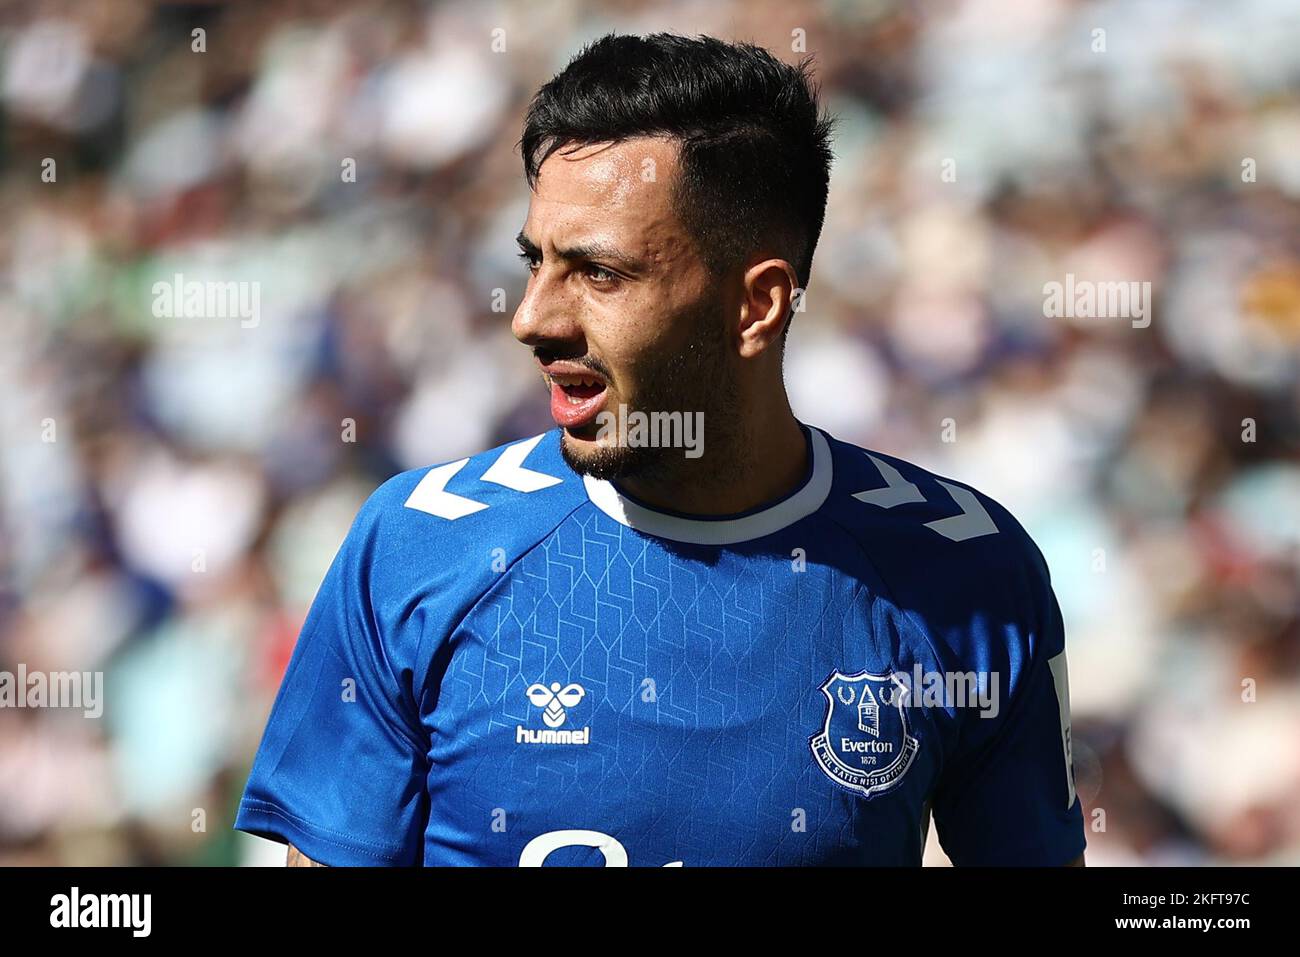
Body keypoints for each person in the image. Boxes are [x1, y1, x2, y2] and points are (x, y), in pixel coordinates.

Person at [235, 32, 1085, 867]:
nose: (534, 318)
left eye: (599, 274)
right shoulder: (417, 544)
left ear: (756, 306)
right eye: (537, 262)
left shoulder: (965, 571)